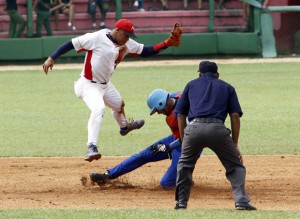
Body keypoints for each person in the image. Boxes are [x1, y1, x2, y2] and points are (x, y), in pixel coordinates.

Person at [42, 19, 182, 162]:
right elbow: (71, 43)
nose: (128, 38)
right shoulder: (97, 38)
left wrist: (167, 43)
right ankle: (91, 147)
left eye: (130, 36)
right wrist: (51, 58)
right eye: (126, 35)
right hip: (88, 85)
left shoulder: (125, 43)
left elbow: (146, 51)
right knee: (98, 109)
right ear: (117, 30)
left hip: (105, 85)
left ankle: (124, 127)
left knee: (119, 105)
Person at [174, 61, 257, 210]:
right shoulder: (227, 87)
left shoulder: (191, 85)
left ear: (200, 74)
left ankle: (181, 202)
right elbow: (235, 116)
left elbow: (180, 115)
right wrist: (234, 144)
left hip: (193, 129)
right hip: (218, 129)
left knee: (184, 165)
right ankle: (241, 201)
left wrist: (183, 138)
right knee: (236, 166)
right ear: (217, 74)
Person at [90, 89, 202, 189]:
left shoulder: (181, 113)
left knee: (166, 184)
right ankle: (108, 175)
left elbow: (190, 138)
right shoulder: (174, 97)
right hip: (176, 139)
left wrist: (169, 147)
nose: (158, 113)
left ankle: (184, 178)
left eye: (157, 110)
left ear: (162, 103)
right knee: (143, 155)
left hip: (188, 147)